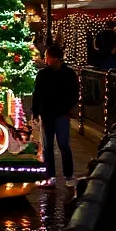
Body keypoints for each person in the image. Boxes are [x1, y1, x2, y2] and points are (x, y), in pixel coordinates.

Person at [32, 43, 79, 188]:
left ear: (56, 58)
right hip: (47, 114)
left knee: (63, 144)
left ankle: (68, 175)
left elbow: (74, 92)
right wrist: (35, 111)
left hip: (61, 113)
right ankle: (50, 176)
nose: (45, 60)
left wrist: (70, 107)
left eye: (48, 57)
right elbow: (37, 93)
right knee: (47, 146)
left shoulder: (68, 74)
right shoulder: (43, 74)